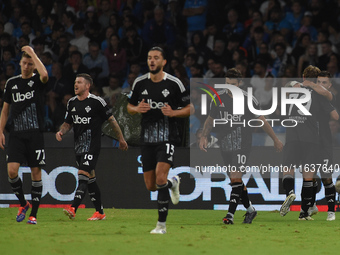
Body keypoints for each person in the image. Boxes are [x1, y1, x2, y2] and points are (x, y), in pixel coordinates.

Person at [199, 68, 283, 224]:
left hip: (242, 144)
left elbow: (262, 120)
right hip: (225, 144)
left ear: (240, 83)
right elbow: (210, 120)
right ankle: (251, 210)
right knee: (235, 181)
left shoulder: (248, 99)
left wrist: (275, 139)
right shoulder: (217, 98)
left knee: (236, 177)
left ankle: (229, 215)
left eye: (233, 84)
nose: (229, 87)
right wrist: (204, 136)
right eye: (227, 83)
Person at [127, 47, 192, 234]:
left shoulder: (174, 83)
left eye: (156, 58)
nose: (152, 61)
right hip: (147, 139)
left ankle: (161, 226)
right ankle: (173, 183)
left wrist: (174, 113)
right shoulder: (139, 83)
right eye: (149, 58)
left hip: (167, 137)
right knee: (151, 185)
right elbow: (130, 106)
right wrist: (137, 109)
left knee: (160, 176)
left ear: (164, 62)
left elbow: (190, 108)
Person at [56, 73, 128, 221]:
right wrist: (61, 131)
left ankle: (73, 208)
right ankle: (100, 212)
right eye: (75, 82)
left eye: (79, 82)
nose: (76, 85)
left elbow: (112, 120)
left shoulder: (97, 102)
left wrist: (121, 139)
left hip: (92, 146)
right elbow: (68, 123)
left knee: (83, 175)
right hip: (78, 147)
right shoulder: (71, 102)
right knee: (90, 180)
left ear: (88, 85)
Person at [280, 66, 338, 220]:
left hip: (292, 136)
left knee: (288, 169)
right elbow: (335, 114)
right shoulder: (319, 95)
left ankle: (289, 193)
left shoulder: (293, 90)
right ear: (315, 79)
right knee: (308, 176)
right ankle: (304, 212)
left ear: (303, 75)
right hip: (312, 139)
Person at [0, 46, 49, 224]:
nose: (26, 66)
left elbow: (45, 76)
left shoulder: (37, 81)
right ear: (19, 63)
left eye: (30, 64)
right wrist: (0, 131)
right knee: (12, 171)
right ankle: (23, 203)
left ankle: (34, 215)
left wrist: (34, 53)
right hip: (16, 134)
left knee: (36, 173)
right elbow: (5, 111)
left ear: (34, 65)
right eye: (24, 63)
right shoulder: (12, 83)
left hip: (35, 134)